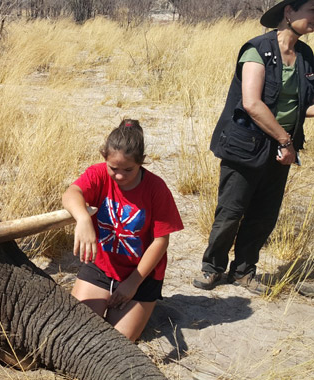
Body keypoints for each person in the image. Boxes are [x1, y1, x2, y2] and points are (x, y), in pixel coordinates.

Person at [193, 0, 314, 294]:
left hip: (283, 149)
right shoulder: (257, 49)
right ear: (289, 12)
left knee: (264, 214)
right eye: (312, 10)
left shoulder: (306, 55)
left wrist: (288, 142)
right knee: (231, 210)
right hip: (246, 144)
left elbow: (305, 105)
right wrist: (284, 140)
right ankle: (213, 267)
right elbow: (252, 103)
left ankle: (244, 270)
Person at [62, 119, 184, 342]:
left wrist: (133, 283)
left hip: (141, 275)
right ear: (104, 159)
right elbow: (71, 193)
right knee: (77, 332)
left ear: (142, 162)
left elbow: (161, 241)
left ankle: (145, 305)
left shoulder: (157, 188)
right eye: (113, 168)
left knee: (115, 343)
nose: (119, 176)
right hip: (101, 267)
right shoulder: (98, 174)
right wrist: (82, 219)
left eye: (128, 169)